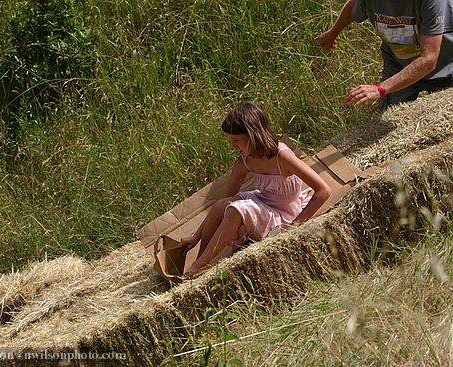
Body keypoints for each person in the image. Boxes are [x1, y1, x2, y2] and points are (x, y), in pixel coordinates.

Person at [179, 102, 331, 278]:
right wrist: (196, 236)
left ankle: (197, 268)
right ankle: (199, 266)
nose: (233, 146)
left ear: (252, 135)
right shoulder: (244, 161)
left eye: (236, 140)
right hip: (262, 205)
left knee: (237, 209)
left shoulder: (282, 156)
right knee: (222, 205)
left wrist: (295, 226)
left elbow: (323, 190)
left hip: (284, 216)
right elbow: (222, 202)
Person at [318, 0, 453, 111]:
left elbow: (428, 60)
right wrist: (333, 32)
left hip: (447, 69)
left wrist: (380, 89)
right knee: (390, 120)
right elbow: (354, 5)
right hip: (399, 65)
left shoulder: (432, 2)